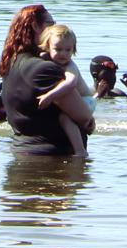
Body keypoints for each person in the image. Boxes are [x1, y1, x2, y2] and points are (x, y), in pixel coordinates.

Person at [0, 3, 89, 156]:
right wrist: (89, 123)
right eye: (50, 24)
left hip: (22, 153)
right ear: (36, 26)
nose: (54, 28)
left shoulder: (12, 62)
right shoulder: (43, 69)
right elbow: (84, 117)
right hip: (51, 158)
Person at [32, 24, 96, 155]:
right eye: (58, 49)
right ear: (48, 47)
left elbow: (70, 83)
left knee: (64, 118)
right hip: (73, 99)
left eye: (68, 50)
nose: (63, 54)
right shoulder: (46, 58)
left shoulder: (70, 65)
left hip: (86, 101)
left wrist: (50, 96)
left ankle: (80, 151)